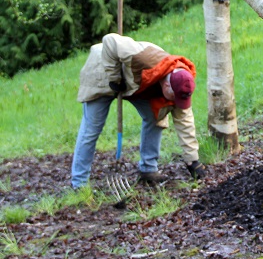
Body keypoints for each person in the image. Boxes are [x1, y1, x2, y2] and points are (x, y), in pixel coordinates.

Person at [71, 33, 206, 188]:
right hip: (103, 69)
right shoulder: (142, 58)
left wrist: (192, 160)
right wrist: (114, 77)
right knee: (91, 128)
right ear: (167, 86)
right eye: (174, 97)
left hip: (134, 85)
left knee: (156, 117)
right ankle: (79, 184)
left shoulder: (182, 83)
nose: (175, 102)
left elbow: (185, 122)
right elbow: (110, 40)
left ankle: (148, 170)